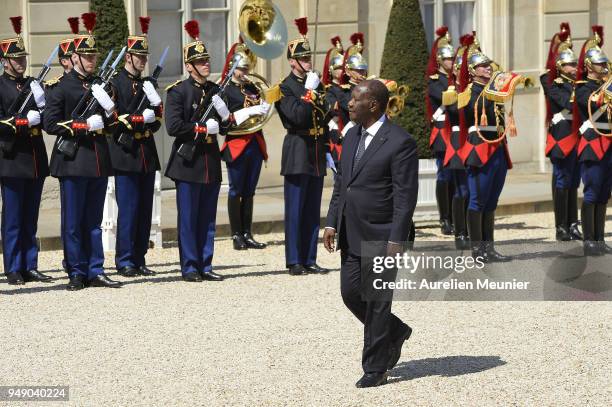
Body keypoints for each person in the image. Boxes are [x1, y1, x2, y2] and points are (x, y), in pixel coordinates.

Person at [323, 80, 418, 388]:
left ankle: (375, 368)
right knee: (351, 294)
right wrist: (331, 223)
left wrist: (396, 239)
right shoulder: (351, 136)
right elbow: (342, 185)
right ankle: (395, 330)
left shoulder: (399, 142)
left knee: (377, 301)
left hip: (382, 235)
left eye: (355, 99)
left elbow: (405, 197)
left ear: (373, 105)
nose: (348, 104)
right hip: (351, 232)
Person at [43, 12, 121, 290]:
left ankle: (95, 268)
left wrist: (110, 109)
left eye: (93, 56)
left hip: (98, 160)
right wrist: (82, 125)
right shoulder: (61, 87)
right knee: (74, 222)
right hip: (73, 160)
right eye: (86, 56)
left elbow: (113, 123)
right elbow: (50, 124)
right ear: (74, 58)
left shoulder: (101, 84)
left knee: (94, 221)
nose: (91, 60)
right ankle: (76, 271)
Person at [164, 20, 231, 282]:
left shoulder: (215, 90)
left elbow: (225, 127)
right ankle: (190, 266)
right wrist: (203, 128)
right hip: (188, 162)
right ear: (189, 66)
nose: (206, 64)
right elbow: (174, 126)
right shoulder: (179, 92)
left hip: (210, 161)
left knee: (208, 218)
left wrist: (225, 116)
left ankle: (206, 263)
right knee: (189, 219)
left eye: (207, 60)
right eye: (200, 61)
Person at [273, 17, 331, 275]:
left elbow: (326, 112)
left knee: (311, 209)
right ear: (293, 61)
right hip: (297, 149)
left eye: (309, 58)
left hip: (316, 150)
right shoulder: (284, 88)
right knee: (296, 210)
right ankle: (294, 260)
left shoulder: (316, 83)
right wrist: (308, 94)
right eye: (304, 59)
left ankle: (309, 257)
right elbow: (296, 116)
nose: (308, 62)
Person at [107, 17, 162, 277]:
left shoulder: (147, 83)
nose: (142, 60)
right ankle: (125, 259)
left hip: (146, 154)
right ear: (128, 56)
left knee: (144, 211)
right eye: (138, 56)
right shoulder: (116, 83)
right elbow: (113, 119)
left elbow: (159, 121)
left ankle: (140, 258)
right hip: (126, 153)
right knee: (128, 210)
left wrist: (153, 113)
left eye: (144, 56)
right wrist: (137, 119)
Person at [0, 16, 51, 285]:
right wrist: (21, 121)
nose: (21, 63)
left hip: (34, 158)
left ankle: (30, 264)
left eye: (22, 58)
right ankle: (13, 267)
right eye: (16, 59)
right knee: (13, 218)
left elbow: (51, 116)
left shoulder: (33, 84)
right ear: (5, 61)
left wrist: (42, 108)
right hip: (11, 158)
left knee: (31, 217)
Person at [457, 35, 512, 262]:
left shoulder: (493, 90)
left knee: (491, 201)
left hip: (497, 147)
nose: (488, 68)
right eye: (482, 65)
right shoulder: (468, 92)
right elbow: (473, 112)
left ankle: (489, 248)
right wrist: (494, 92)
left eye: (488, 65)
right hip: (480, 148)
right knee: (478, 200)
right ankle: (477, 250)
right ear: (472, 70)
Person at [220, 39, 270, 251]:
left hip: (255, 142)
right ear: (232, 67)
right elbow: (224, 121)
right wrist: (246, 112)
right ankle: (236, 234)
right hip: (237, 142)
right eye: (240, 68)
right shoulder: (226, 90)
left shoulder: (252, 86)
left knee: (250, 190)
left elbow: (261, 111)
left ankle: (248, 232)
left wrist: (266, 107)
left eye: (246, 68)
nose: (244, 72)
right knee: (236, 190)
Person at [574, 25, 612, 256]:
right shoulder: (581, 88)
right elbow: (593, 105)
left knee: (605, 193)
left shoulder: (605, 86)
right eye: (600, 64)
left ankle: (599, 238)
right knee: (592, 191)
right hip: (593, 144)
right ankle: (589, 239)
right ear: (589, 66)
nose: (605, 67)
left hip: (609, 143)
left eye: (606, 63)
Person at [542, 26, 583, 241]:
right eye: (570, 64)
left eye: (576, 64)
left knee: (574, 182)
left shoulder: (580, 82)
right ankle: (561, 226)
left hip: (578, 136)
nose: (575, 67)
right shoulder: (551, 81)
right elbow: (565, 102)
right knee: (562, 181)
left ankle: (572, 223)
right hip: (562, 136)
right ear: (560, 65)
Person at [441, 34, 471, 249]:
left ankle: (471, 229)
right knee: (461, 189)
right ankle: (460, 233)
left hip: (474, 140)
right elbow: (455, 110)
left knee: (473, 190)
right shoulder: (452, 92)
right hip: (458, 140)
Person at [426, 26, 455, 236]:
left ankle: (455, 216)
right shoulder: (434, 81)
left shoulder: (458, 80)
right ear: (439, 61)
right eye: (448, 59)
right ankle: (444, 218)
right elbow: (448, 101)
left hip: (455, 131)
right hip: (442, 131)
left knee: (457, 175)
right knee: (444, 175)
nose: (452, 62)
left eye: (453, 58)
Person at [322, 35, 349, 166]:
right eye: (339, 67)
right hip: (338, 134)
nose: (342, 70)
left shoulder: (348, 88)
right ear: (331, 70)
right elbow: (334, 110)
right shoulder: (328, 90)